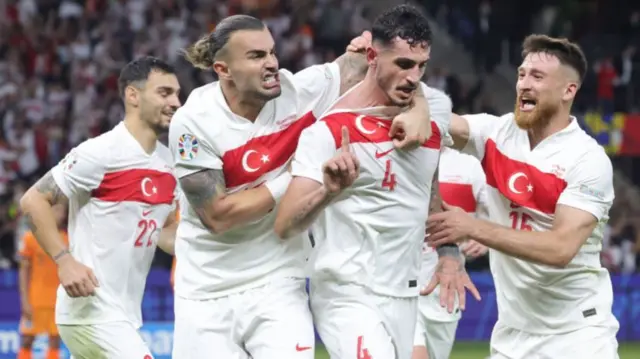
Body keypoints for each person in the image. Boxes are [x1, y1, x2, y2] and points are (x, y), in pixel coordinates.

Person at [168, 13, 434, 359]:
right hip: (206, 290)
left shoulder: (302, 90)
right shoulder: (193, 123)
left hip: (279, 280)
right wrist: (293, 176)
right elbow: (218, 216)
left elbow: (390, 65)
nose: (271, 64)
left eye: (272, 53)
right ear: (223, 69)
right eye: (256, 56)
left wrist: (421, 106)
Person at [274, 5, 480, 359]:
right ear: (372, 56)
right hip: (348, 294)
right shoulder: (328, 131)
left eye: (421, 66)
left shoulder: (432, 118)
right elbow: (285, 224)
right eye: (402, 64)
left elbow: (432, 201)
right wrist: (328, 193)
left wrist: (449, 256)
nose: (414, 77)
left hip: (406, 294)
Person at [426, 35, 620, 358]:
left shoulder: (587, 159)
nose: (524, 85)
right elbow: (437, 122)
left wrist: (473, 227)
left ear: (568, 91)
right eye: (521, 74)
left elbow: (560, 248)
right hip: (512, 337)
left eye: (537, 77)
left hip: (577, 336)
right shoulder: (496, 133)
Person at [19, 56, 181, 358]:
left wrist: (200, 245)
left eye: (176, 93)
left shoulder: (168, 163)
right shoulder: (101, 152)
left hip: (124, 314)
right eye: (164, 92)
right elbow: (32, 200)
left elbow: (165, 230)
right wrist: (64, 260)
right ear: (132, 95)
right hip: (90, 310)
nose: (175, 102)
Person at [413, 147, 488, 359]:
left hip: (444, 290)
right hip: (398, 283)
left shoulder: (469, 166)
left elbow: (503, 213)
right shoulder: (397, 157)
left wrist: (483, 236)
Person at [17, 204, 68, 359]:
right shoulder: (30, 238)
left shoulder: (68, 239)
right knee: (27, 340)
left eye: (63, 211)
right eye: (57, 209)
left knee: (54, 341)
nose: (60, 214)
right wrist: (25, 300)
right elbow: (23, 272)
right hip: (35, 301)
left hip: (57, 302)